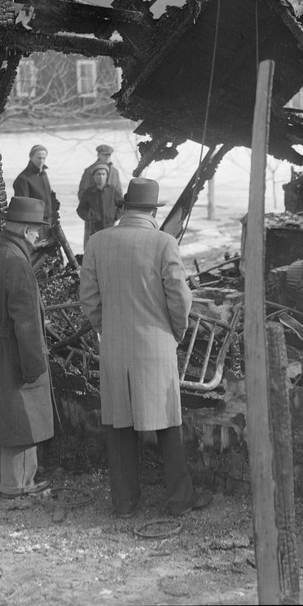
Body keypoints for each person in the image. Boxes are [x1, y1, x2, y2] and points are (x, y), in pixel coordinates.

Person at [79, 178, 212, 518]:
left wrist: (105, 329)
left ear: (124, 207)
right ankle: (179, 499)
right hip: (156, 345)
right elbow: (180, 300)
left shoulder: (97, 242)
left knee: (119, 421)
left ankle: (124, 502)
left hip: (114, 345)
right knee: (167, 421)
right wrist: (175, 334)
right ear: (154, 210)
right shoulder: (163, 243)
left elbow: (89, 299)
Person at [0, 196, 55, 499]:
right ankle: (18, 484)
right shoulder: (18, 264)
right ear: (26, 230)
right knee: (23, 416)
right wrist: (35, 366)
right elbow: (27, 324)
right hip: (11, 352)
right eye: (36, 231)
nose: (37, 239)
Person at [13, 145, 59, 241]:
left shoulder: (43, 174)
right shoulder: (23, 179)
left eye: (44, 158)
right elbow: (23, 207)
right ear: (31, 157)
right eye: (38, 158)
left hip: (48, 223)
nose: (41, 161)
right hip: (34, 226)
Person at [76, 162, 124, 238]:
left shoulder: (112, 190)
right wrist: (90, 218)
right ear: (94, 176)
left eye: (103, 174)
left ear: (106, 176)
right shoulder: (88, 192)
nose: (101, 177)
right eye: (98, 174)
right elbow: (81, 209)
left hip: (110, 227)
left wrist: (115, 216)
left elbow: (122, 205)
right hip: (94, 230)